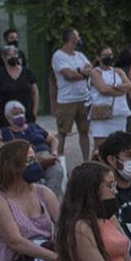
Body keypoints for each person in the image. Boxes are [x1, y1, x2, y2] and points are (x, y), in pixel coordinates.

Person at [0, 100, 64, 195]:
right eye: (16, 114)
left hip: (46, 156)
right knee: (31, 174)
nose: (20, 116)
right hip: (24, 161)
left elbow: (53, 139)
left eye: (21, 113)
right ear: (8, 116)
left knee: (57, 171)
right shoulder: (5, 132)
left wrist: (54, 153)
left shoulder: (34, 127)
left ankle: (49, 200)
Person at [51, 27, 94, 162]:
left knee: (84, 132)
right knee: (62, 132)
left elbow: (91, 69)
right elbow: (68, 75)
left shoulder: (80, 55)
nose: (79, 38)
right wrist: (82, 73)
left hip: (84, 99)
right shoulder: (58, 56)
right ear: (71, 39)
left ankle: (86, 161)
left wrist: (78, 72)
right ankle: (59, 162)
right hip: (67, 100)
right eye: (77, 36)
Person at [0, 44, 39, 130]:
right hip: (6, 117)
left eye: (15, 54)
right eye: (10, 55)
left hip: (27, 115)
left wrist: (34, 113)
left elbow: (35, 93)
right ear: (3, 57)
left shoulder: (27, 72)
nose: (13, 57)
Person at [89, 47, 131, 147]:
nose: (109, 57)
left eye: (110, 55)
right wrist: (120, 91)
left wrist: (113, 87)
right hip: (102, 113)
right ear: (98, 57)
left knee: (119, 144)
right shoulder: (95, 72)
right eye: (105, 55)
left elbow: (129, 86)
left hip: (119, 112)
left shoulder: (118, 71)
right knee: (100, 146)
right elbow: (103, 89)